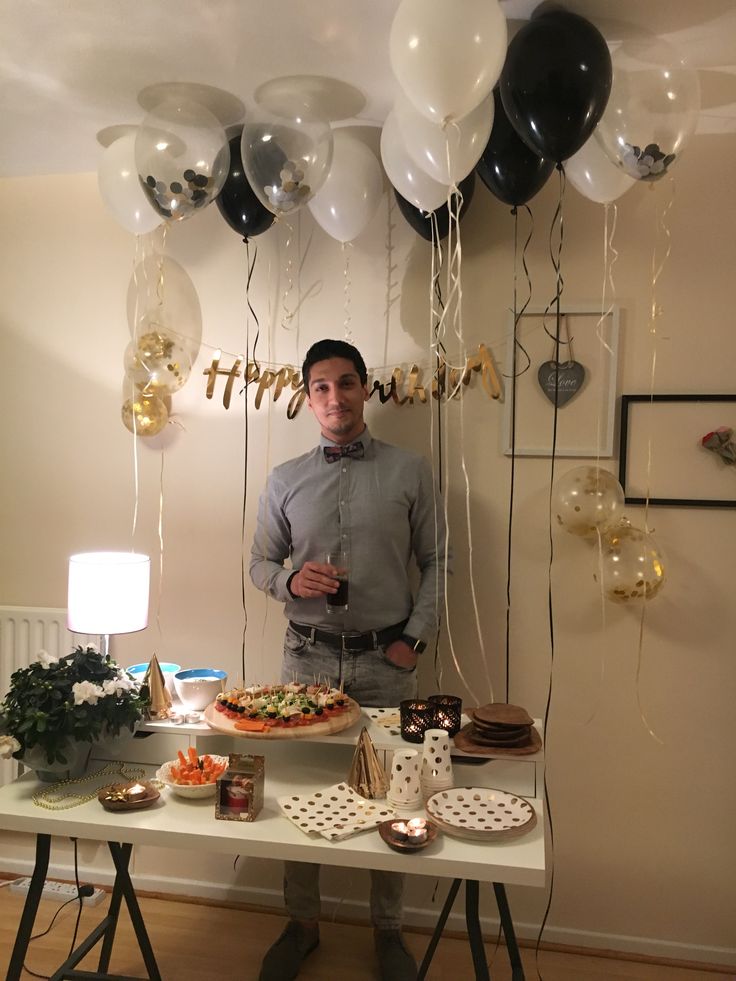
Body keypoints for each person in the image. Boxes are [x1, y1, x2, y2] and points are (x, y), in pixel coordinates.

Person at [250, 338, 446, 981]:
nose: (335, 397)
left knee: (395, 792)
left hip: (386, 662)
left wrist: (412, 640)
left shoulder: (412, 470)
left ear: (366, 389)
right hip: (305, 662)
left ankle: (387, 932)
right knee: (299, 791)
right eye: (321, 388)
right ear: (308, 399)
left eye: (346, 383)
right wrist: (289, 583)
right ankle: (301, 923)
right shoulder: (284, 478)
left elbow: (439, 563)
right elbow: (259, 563)